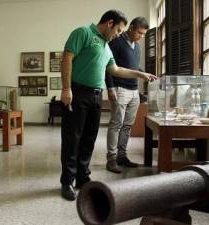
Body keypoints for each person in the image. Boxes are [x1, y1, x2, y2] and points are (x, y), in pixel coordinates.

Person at [60, 10, 157, 201]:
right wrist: (66, 88)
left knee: (89, 139)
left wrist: (140, 74)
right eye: (119, 29)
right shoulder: (83, 33)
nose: (119, 34)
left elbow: (116, 69)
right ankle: (67, 182)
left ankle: (82, 178)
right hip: (78, 93)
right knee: (73, 139)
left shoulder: (106, 46)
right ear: (110, 23)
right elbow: (67, 58)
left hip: (96, 96)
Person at [105, 17, 151, 173]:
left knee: (127, 126)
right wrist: (110, 87)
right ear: (131, 28)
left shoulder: (137, 46)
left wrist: (144, 73)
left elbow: (132, 66)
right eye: (140, 33)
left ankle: (121, 156)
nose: (141, 37)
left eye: (144, 34)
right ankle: (111, 159)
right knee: (116, 125)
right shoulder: (116, 42)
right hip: (119, 89)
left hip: (134, 91)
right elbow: (108, 65)